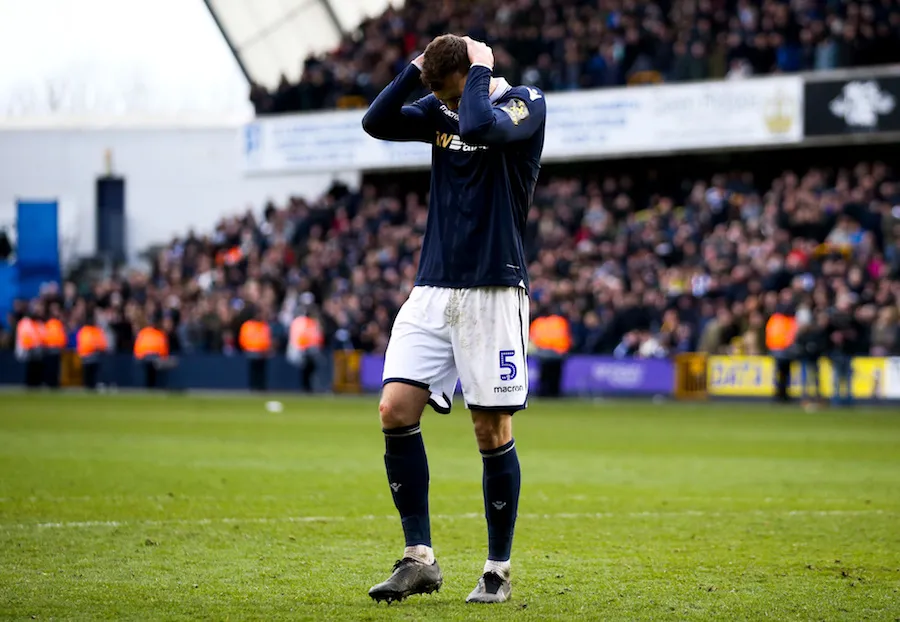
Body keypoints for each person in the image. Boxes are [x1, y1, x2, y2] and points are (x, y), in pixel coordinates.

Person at [362, 34, 546, 604]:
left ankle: (497, 569)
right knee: (394, 408)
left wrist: (478, 75)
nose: (439, 101)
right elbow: (376, 121)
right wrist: (415, 70)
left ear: (472, 75)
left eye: (446, 88)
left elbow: (480, 128)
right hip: (433, 286)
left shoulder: (526, 104)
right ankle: (420, 557)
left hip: (494, 285)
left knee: (489, 428)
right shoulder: (441, 105)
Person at [766, 306, 797, 402]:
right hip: (785, 351)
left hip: (776, 350)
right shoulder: (789, 321)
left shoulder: (774, 320)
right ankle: (783, 394)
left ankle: (779, 394)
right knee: (785, 374)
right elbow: (791, 335)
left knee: (780, 373)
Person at [287, 311, 324, 392]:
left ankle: (308, 387)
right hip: (304, 350)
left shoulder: (312, 323)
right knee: (305, 371)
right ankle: (305, 387)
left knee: (310, 370)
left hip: (311, 350)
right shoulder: (302, 322)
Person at [239, 310, 272, 392]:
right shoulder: (248, 325)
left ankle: (261, 387)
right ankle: (253, 387)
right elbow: (243, 338)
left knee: (261, 372)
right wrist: (247, 348)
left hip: (262, 352)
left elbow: (267, 338)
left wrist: (266, 348)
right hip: (251, 352)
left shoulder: (264, 325)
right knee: (253, 371)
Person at [134, 319, 170, 389]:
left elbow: (163, 347)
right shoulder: (146, 333)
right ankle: (150, 387)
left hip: (152, 357)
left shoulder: (146, 332)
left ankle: (151, 387)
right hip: (147, 357)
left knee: (152, 373)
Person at [77, 314, 108, 390]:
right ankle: (88, 387)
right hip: (87, 357)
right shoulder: (86, 330)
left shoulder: (93, 330)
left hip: (93, 357)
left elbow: (102, 344)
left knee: (92, 375)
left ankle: (91, 387)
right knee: (88, 375)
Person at [14, 310, 43, 387]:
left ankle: (33, 383)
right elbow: (27, 336)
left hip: (34, 348)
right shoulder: (26, 323)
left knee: (34, 367)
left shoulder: (34, 323)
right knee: (29, 368)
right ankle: (29, 383)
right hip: (27, 348)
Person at [42, 304, 67, 389]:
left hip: (57, 349)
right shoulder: (48, 323)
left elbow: (62, 335)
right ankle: (49, 383)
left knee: (56, 368)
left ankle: (54, 384)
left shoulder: (59, 323)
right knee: (50, 368)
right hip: (49, 349)